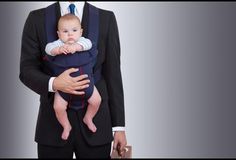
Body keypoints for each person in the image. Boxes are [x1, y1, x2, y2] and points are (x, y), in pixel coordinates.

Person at [20, 1, 127, 158]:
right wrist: (54, 84)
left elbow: (113, 74)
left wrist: (119, 127)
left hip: (97, 127)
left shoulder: (106, 18)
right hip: (52, 126)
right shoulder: (36, 18)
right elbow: (26, 70)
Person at [45, 13, 101, 140]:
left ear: (81, 32)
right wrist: (57, 50)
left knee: (97, 100)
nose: (70, 34)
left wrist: (77, 47)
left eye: (74, 30)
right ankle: (66, 125)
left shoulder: (83, 41)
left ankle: (88, 117)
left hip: (87, 85)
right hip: (63, 89)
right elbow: (48, 49)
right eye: (65, 31)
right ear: (59, 34)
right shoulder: (57, 44)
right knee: (58, 107)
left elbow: (89, 45)